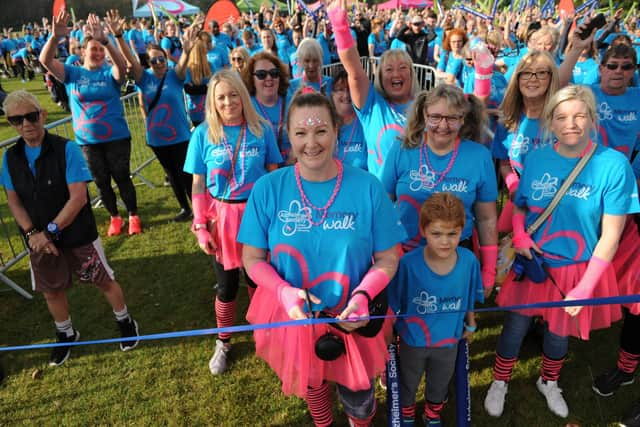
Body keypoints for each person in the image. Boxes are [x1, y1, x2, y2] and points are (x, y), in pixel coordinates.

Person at [238, 91, 406, 426]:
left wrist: (363, 295)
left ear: (336, 131)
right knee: (311, 382)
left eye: (320, 131)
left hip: (353, 318)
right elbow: (252, 258)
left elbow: (389, 257)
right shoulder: (268, 189)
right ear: (288, 136)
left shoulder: (368, 187)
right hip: (295, 318)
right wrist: (284, 292)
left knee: (358, 397)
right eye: (300, 133)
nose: (310, 143)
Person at [484, 85, 640, 419]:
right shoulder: (538, 157)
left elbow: (611, 236)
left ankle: (549, 380)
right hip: (534, 261)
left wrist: (586, 288)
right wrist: (522, 236)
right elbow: (522, 205)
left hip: (578, 269)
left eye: (580, 115)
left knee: (558, 334)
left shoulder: (614, 166)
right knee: (515, 326)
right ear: (551, 123)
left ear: (592, 119)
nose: (571, 124)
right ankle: (500, 380)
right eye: (562, 117)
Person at [0, 90, 140, 367]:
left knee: (102, 279)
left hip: (76, 234)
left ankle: (125, 321)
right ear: (10, 123)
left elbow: (78, 197)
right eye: (16, 120)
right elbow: (13, 200)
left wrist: (49, 232)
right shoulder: (10, 158)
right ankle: (66, 333)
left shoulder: (67, 149)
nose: (25, 124)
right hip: (38, 241)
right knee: (51, 290)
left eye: (30, 116)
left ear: (42, 114)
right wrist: (32, 235)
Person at [184, 70, 282, 375]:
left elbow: (274, 174)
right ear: (212, 102)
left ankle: (263, 333)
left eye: (234, 94)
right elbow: (198, 183)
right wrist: (200, 225)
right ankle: (223, 341)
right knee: (226, 288)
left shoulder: (261, 129)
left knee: (259, 281)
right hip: (222, 218)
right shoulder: (203, 134)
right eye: (221, 97)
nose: (228, 102)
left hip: (256, 217)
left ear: (243, 95)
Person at [381, 84, 498, 296]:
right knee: (407, 321)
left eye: (452, 118)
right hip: (406, 253)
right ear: (425, 115)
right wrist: (388, 248)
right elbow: (382, 206)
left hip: (455, 256)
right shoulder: (402, 149)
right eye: (435, 117)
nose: (443, 125)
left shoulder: (479, 157)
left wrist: (489, 269)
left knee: (450, 320)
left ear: (462, 119)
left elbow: (486, 219)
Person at [39, 9, 142, 237]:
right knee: (101, 181)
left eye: (100, 50)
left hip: (116, 138)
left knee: (122, 176)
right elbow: (44, 60)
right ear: (82, 52)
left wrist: (106, 40)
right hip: (87, 141)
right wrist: (55, 37)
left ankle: (133, 215)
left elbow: (122, 68)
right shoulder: (72, 74)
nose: (96, 53)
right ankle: (115, 217)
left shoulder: (109, 74)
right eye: (92, 49)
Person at [389, 192, 483, 426]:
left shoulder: (469, 261)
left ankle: (432, 413)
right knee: (409, 381)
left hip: (448, 341)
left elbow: (469, 294)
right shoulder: (408, 264)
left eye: (452, 233)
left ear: (463, 230)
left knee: (440, 382)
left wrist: (470, 324)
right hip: (413, 340)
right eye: (437, 233)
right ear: (423, 230)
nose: (445, 241)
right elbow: (393, 303)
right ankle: (408, 413)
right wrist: (388, 331)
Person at [116, 13, 198, 223]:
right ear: (149, 62)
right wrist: (118, 37)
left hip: (180, 136)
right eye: (154, 60)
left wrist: (187, 51)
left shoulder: (175, 75)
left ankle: (198, 210)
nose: (159, 62)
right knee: (171, 175)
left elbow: (183, 63)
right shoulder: (144, 78)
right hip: (157, 139)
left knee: (186, 174)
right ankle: (184, 208)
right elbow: (130, 59)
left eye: (161, 58)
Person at [327, 0, 419, 179]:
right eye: (389, 69)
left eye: (402, 68)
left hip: (419, 200)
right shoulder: (372, 106)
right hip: (381, 201)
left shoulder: (424, 105)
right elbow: (354, 71)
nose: (396, 74)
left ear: (411, 73)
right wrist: (340, 27)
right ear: (380, 76)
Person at [492, 51, 559, 233]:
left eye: (541, 72)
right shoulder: (508, 119)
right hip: (521, 201)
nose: (533, 79)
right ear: (517, 78)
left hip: (558, 205)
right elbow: (504, 162)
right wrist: (513, 184)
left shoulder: (561, 117)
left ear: (551, 77)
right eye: (527, 73)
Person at [242, 51, 291, 162]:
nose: (269, 78)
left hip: (291, 167)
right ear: (252, 79)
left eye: (274, 73)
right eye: (261, 75)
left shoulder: (293, 102)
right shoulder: (245, 107)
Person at [330, 68, 367, 170]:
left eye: (350, 89)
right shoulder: (326, 124)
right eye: (340, 89)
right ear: (332, 94)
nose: (346, 95)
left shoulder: (364, 124)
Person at [184, 36, 213, 127]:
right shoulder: (188, 69)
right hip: (198, 112)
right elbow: (189, 89)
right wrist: (207, 87)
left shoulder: (210, 65)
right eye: (204, 50)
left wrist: (199, 87)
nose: (207, 51)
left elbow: (215, 85)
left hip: (208, 109)